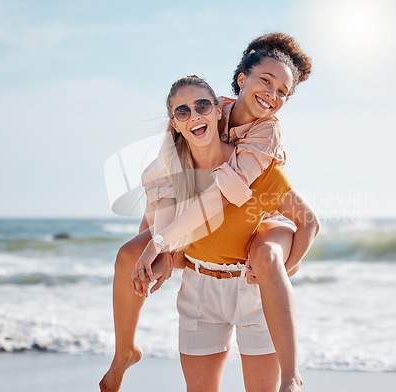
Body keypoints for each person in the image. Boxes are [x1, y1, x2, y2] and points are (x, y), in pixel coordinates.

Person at [100, 33, 316, 392]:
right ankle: (124, 350)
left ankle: (292, 376)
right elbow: (162, 199)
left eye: (283, 91)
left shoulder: (264, 139)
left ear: (215, 107)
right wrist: (157, 246)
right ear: (239, 84)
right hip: (204, 267)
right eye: (266, 81)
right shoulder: (203, 121)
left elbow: (226, 196)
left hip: (254, 222)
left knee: (264, 253)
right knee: (129, 254)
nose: (273, 95)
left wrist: (282, 270)